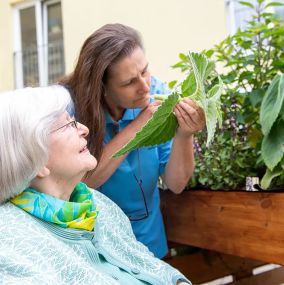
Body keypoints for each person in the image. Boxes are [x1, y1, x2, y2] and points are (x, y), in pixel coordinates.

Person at [0, 85, 191, 285]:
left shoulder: (96, 203)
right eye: (67, 125)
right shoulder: (10, 239)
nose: (84, 129)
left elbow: (144, 261)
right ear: (35, 159)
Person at [60, 23, 205, 259]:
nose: (145, 86)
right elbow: (86, 181)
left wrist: (184, 134)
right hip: (98, 253)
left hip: (149, 246)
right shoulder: (70, 111)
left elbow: (176, 184)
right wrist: (139, 126)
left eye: (145, 71)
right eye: (129, 82)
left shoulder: (158, 92)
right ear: (101, 88)